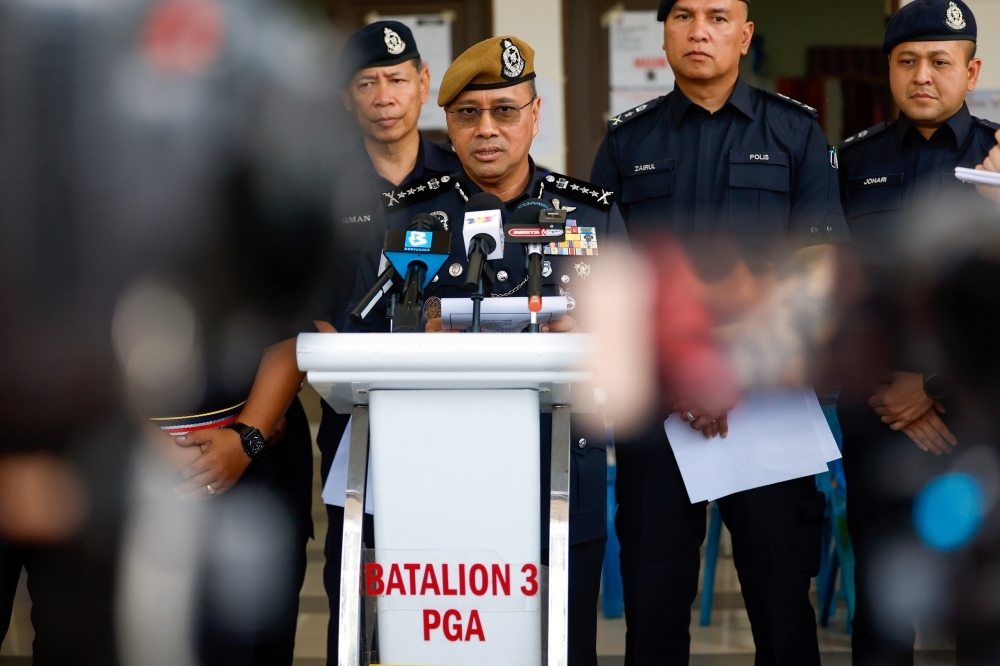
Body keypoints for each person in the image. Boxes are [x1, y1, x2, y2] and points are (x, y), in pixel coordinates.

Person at [174, 20, 463, 666]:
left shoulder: (462, 181)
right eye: (367, 83)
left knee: (452, 597)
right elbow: (293, 312)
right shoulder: (313, 184)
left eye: (397, 79)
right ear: (345, 99)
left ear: (423, 84)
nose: (384, 96)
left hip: (455, 428)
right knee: (353, 604)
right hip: (352, 433)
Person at [345, 35, 628, 666]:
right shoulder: (405, 220)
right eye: (469, 114)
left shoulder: (592, 216)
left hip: (556, 474)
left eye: (505, 110)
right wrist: (409, 340)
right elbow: (354, 333)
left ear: (534, 114)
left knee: (560, 648)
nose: (487, 130)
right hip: (433, 482)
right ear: (447, 122)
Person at [589, 0, 850, 663]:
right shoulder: (627, 143)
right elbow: (602, 278)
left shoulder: (795, 135)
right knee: (653, 617)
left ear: (745, 34)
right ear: (666, 31)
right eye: (683, 16)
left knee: (783, 613)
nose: (699, 31)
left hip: (765, 406)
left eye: (717, 16)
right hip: (660, 414)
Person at [834, 1, 999, 663]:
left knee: (985, 612)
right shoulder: (851, 162)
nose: (922, 75)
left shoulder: (998, 158)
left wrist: (928, 386)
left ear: (971, 69)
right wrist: (890, 389)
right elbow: (837, 285)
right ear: (889, 72)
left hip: (980, 413)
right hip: (878, 417)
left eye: (939, 61)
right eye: (907, 61)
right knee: (880, 613)